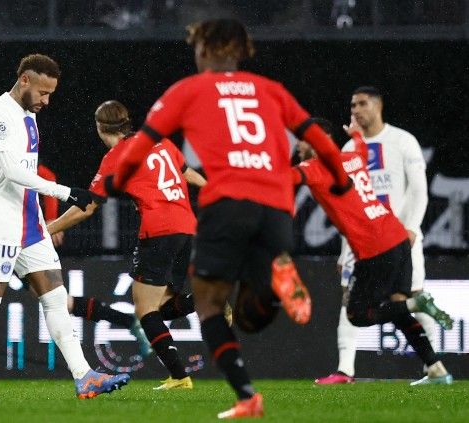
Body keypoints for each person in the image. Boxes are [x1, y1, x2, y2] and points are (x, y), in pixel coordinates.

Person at [105, 19, 353, 418]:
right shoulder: (271, 90)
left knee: (208, 303)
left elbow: (145, 140)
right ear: (242, 50)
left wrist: (118, 179)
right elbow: (316, 136)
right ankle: (275, 273)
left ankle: (246, 396)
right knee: (252, 308)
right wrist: (340, 178)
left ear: (203, 49)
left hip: (228, 204)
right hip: (276, 206)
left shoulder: (187, 90)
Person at [0, 54, 130, 400]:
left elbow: (30, 172)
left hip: (30, 226)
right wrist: (66, 193)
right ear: (25, 80)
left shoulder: (29, 114)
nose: (47, 101)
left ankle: (84, 376)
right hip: (1, 224)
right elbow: (12, 172)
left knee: (56, 299)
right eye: (43, 92)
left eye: (51, 94)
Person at [48, 100, 207, 390]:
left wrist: (49, 229)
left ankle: (181, 374)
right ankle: (181, 368)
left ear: (99, 128)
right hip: (187, 228)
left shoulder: (116, 157)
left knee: (145, 311)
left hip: (158, 231)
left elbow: (89, 207)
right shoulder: (160, 141)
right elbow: (185, 173)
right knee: (158, 309)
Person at [295, 116, 453, 386]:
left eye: (301, 137)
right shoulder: (353, 156)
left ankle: (417, 303)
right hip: (397, 235)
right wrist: (356, 134)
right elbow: (361, 148)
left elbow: (283, 178)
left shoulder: (313, 167)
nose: (297, 144)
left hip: (373, 247)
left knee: (356, 314)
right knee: (397, 307)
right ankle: (436, 369)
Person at [315, 87, 435, 385]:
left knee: (409, 299)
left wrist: (411, 226)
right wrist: (345, 252)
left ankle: (432, 368)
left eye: (362, 103)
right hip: (363, 244)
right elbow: (348, 208)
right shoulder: (346, 151)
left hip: (399, 239)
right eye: (352, 104)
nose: (355, 110)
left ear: (378, 106)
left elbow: (419, 189)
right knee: (350, 301)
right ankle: (345, 370)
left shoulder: (402, 141)